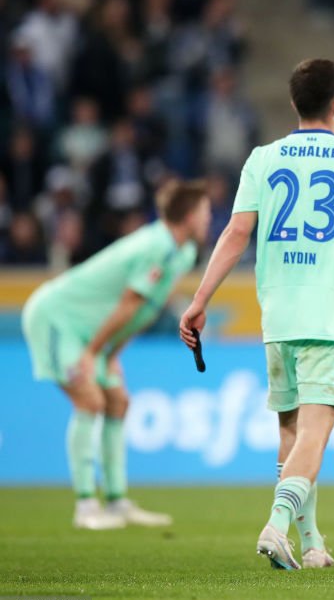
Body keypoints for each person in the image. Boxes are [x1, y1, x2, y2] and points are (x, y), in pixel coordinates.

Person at [178, 58, 334, 570]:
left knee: (291, 433)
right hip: (329, 319)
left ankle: (312, 542)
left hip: (278, 318)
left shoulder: (263, 158)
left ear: (294, 103)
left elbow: (236, 234)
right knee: (314, 436)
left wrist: (200, 300)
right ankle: (276, 527)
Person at [22, 179, 209, 530]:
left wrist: (111, 354)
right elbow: (129, 303)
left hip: (90, 335)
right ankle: (85, 506)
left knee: (118, 402)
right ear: (188, 216)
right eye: (204, 212)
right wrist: (94, 353)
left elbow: (146, 309)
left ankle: (116, 501)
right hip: (56, 318)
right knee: (89, 401)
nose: (207, 219)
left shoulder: (182, 253)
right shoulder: (157, 246)